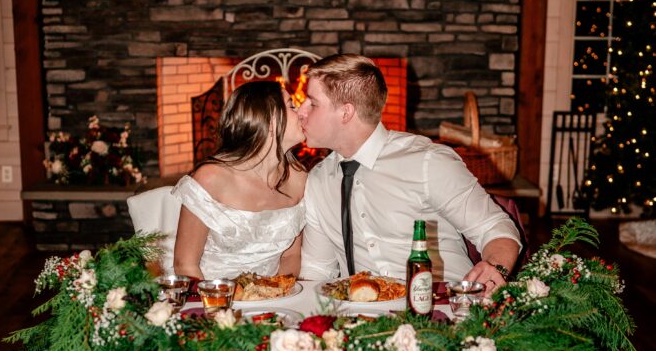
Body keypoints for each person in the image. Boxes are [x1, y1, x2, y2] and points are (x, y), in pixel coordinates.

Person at [298, 54, 521, 293]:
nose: (300, 110)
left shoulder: (428, 161)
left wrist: (495, 267)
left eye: (312, 102)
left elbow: (495, 228)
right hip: (364, 318)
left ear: (346, 112)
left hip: (442, 311)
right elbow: (317, 271)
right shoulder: (319, 180)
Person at [173, 80, 307, 279]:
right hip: (212, 300)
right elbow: (185, 265)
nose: (302, 113)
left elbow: (291, 256)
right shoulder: (212, 179)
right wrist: (218, 307)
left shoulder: (298, 178)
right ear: (269, 120)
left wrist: (276, 294)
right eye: (291, 106)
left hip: (272, 301)